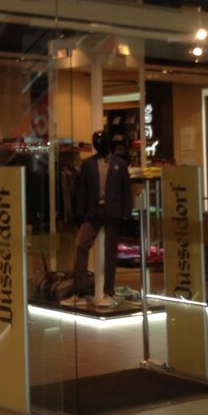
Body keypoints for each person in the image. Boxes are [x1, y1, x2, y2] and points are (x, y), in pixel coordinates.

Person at [70, 130, 131, 309]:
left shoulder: (120, 164)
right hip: (93, 211)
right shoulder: (88, 164)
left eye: (101, 141)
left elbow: (126, 190)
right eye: (96, 142)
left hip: (113, 211)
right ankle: (80, 290)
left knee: (110, 252)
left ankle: (108, 291)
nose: (99, 145)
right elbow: (82, 190)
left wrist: (127, 213)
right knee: (81, 245)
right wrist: (79, 213)